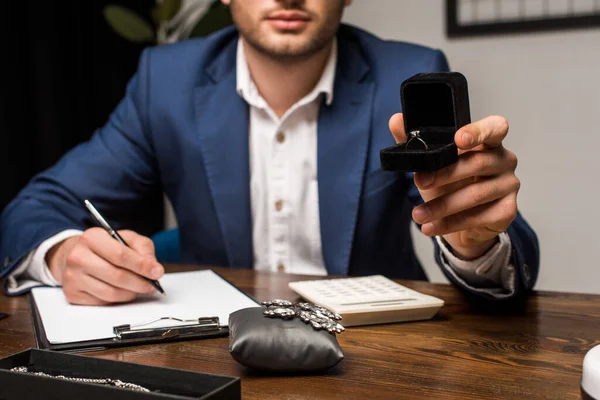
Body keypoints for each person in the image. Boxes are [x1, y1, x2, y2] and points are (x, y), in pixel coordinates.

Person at [0, 0, 538, 305]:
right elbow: (36, 207)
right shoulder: (164, 82)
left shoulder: (405, 73)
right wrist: (62, 253)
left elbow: (475, 209)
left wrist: (473, 239)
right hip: (216, 352)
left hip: (376, 352)